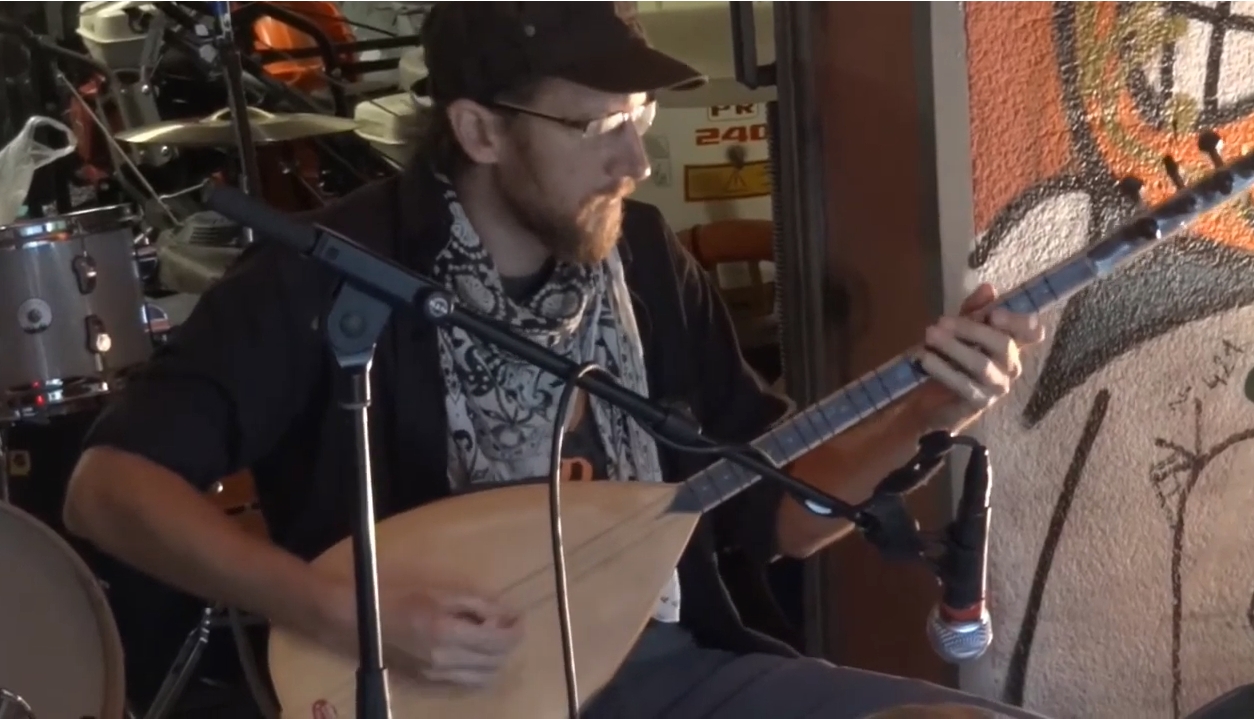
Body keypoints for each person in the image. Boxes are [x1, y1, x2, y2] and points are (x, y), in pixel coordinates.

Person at [63, 3, 1050, 718]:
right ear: (480, 130)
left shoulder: (648, 259)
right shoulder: (333, 277)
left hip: (663, 670)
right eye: (597, 128)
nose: (635, 163)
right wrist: (334, 604)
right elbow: (108, 486)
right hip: (439, 695)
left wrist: (928, 410)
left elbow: (771, 516)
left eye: (640, 123)